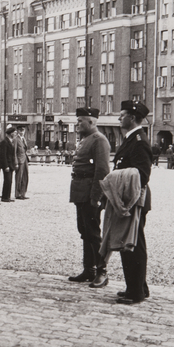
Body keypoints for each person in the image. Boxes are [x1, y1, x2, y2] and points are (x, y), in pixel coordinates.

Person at [112, 100, 153, 304]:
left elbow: (142, 175)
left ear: (133, 118)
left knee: (133, 245)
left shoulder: (139, 142)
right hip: (127, 200)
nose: (120, 118)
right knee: (130, 244)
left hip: (133, 201)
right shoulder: (131, 139)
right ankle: (137, 287)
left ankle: (135, 292)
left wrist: (117, 182)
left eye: (123, 115)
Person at [68, 107, 111, 288]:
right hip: (80, 191)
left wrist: (96, 197)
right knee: (84, 231)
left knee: (93, 233)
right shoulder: (86, 139)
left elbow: (102, 171)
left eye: (80, 121)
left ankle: (102, 271)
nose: (77, 124)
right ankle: (89, 269)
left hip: (89, 193)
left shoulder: (99, 140)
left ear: (91, 122)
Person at [0, 126, 17, 203]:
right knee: (7, 180)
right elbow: (3, 155)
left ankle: (7, 196)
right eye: (14, 133)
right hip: (7, 165)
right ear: (11, 133)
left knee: (9, 181)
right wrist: (5, 165)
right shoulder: (4, 142)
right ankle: (4, 197)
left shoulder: (10, 141)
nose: (15, 134)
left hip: (11, 164)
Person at [13, 126, 29, 200]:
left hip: (25, 159)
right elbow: (14, 152)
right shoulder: (16, 139)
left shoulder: (24, 139)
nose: (22, 132)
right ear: (18, 131)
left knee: (25, 176)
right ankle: (17, 194)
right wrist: (16, 162)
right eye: (20, 130)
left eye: (23, 130)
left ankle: (23, 193)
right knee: (19, 177)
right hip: (19, 160)